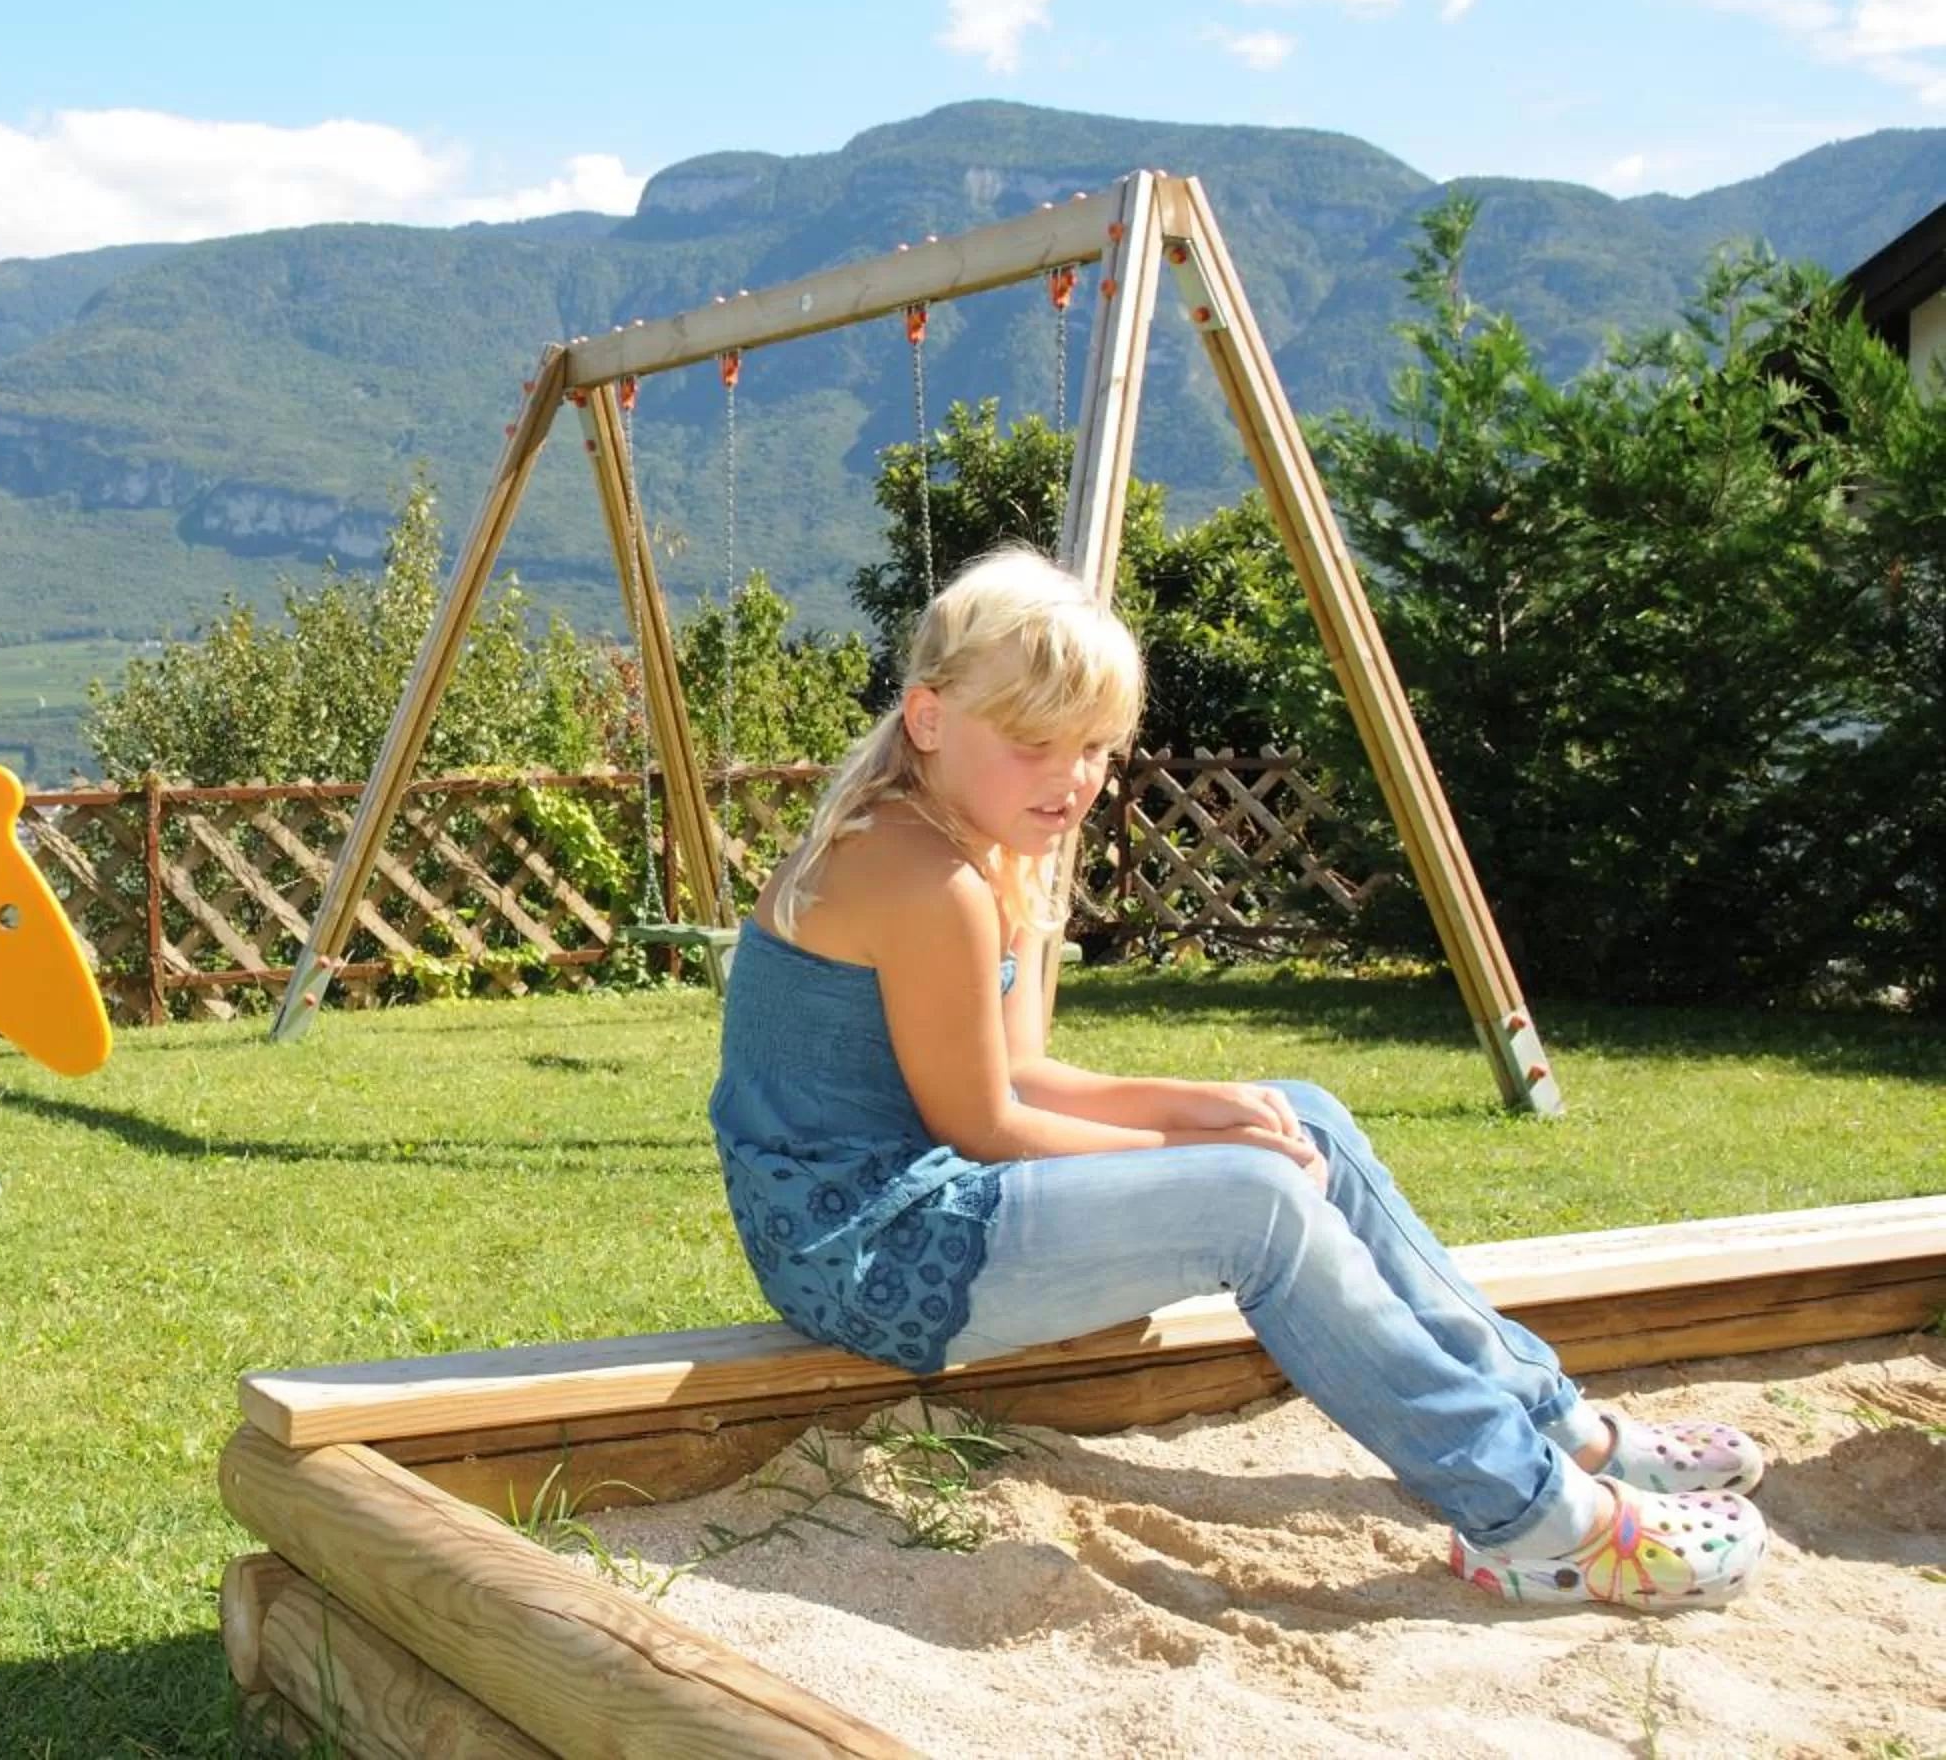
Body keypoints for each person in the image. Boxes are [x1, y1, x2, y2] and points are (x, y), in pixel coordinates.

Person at [711, 544, 1769, 1609]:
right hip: (865, 1252)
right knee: (1255, 1197)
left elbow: (1024, 1069)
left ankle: (1558, 1426)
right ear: (930, 717)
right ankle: (1533, 1518)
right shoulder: (925, 876)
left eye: (1094, 749)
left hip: (928, 1206)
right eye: (1035, 744)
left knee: (1298, 1116)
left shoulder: (982, 847)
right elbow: (986, 1124)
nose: (1071, 780)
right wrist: (1207, 1155)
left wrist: (1205, 1108)